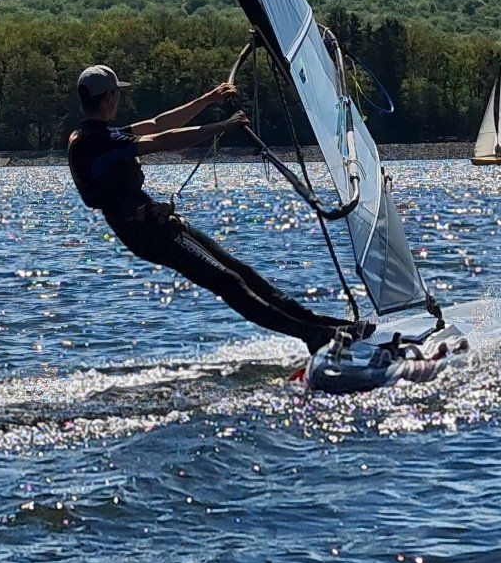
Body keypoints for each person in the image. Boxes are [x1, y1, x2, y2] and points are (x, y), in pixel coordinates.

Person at [66, 63, 354, 352]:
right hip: (146, 232)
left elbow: (157, 124)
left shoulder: (96, 135)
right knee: (227, 281)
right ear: (108, 98)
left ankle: (323, 326)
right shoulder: (96, 142)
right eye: (117, 94)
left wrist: (208, 99)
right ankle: (312, 336)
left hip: (157, 223)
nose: (119, 100)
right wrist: (223, 126)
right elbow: (160, 140)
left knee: (241, 272)